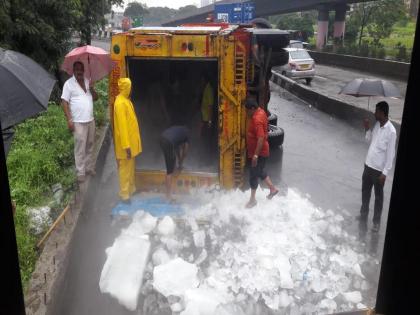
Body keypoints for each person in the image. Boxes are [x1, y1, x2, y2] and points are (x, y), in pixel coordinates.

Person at [358, 101, 397, 232]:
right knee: (365, 193)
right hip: (368, 165)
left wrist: (385, 173)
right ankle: (363, 215)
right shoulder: (376, 125)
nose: (374, 113)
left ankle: (376, 223)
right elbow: (368, 140)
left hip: (378, 171)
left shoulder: (391, 131)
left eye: (376, 111)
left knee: (378, 198)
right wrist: (367, 128)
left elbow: (391, 154)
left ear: (382, 113)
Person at [61, 61, 98, 183]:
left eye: (81, 69)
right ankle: (80, 172)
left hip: (90, 120)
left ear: (84, 70)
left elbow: (96, 98)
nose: (79, 71)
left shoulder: (88, 81)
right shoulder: (69, 84)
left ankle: (89, 168)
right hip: (78, 122)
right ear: (73, 70)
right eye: (77, 69)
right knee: (80, 148)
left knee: (91, 145)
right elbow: (64, 102)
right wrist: (69, 119)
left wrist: (92, 88)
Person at [113, 78, 142, 204]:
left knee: (130, 167)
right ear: (126, 88)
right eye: (130, 87)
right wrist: (126, 146)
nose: (132, 89)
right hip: (126, 145)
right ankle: (124, 194)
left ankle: (131, 189)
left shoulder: (125, 100)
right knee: (124, 169)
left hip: (131, 144)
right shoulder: (120, 103)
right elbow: (123, 128)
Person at [245, 99, 278, 208]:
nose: (247, 113)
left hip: (259, 152)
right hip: (262, 151)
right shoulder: (261, 111)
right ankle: (272, 189)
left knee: (253, 175)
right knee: (260, 170)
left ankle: (252, 200)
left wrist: (255, 155)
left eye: (247, 111)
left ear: (253, 109)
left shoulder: (257, 119)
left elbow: (260, 137)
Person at [159, 126, 189, 201]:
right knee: (170, 171)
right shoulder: (187, 136)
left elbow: (177, 150)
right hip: (168, 142)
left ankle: (174, 172)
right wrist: (181, 162)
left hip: (162, 138)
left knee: (172, 162)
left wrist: (179, 161)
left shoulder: (179, 132)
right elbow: (185, 151)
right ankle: (168, 196)